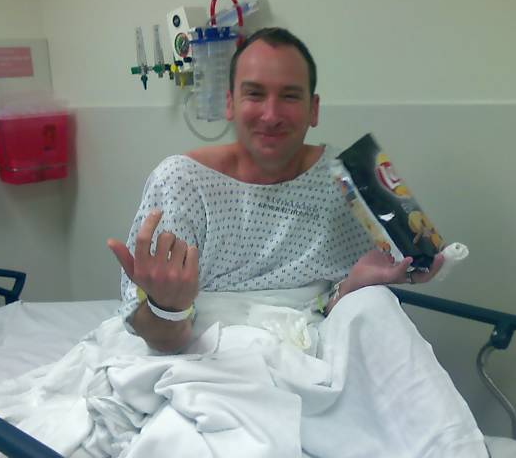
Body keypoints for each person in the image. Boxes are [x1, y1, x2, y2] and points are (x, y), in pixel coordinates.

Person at [107, 27, 488, 457]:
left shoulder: (341, 179)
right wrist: (169, 308)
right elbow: (161, 339)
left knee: (376, 304)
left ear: (313, 109)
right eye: (254, 94)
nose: (271, 115)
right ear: (229, 103)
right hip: (212, 350)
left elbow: (327, 308)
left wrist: (355, 284)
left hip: (313, 348)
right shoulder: (181, 183)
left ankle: (450, 449)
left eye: (289, 96)